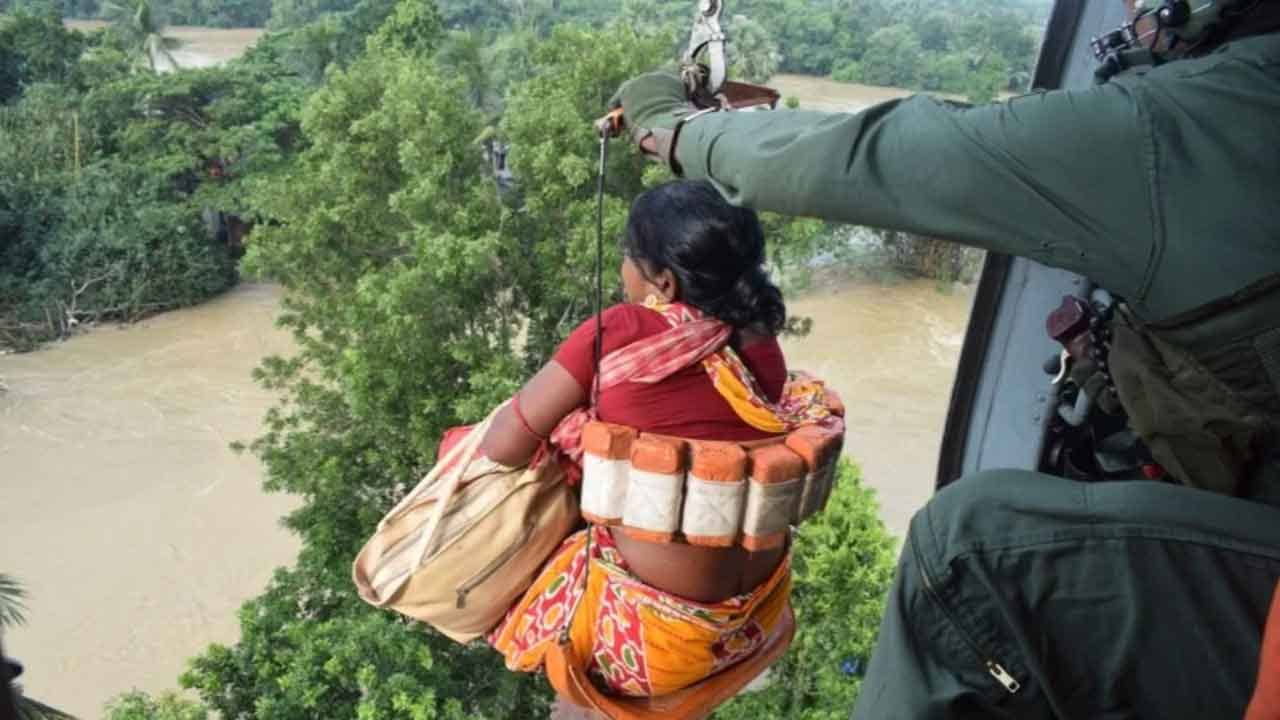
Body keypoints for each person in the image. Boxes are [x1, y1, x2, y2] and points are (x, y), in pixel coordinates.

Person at [607, 0, 1280, 717]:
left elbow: (891, 157)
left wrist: (676, 129)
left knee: (968, 557)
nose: (1130, 10)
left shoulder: (1209, 120)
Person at [474, 179, 837, 708]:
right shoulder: (761, 340)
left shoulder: (620, 331)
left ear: (663, 284)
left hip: (652, 645)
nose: (622, 270)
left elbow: (501, 447)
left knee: (517, 482)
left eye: (628, 257)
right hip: (754, 618)